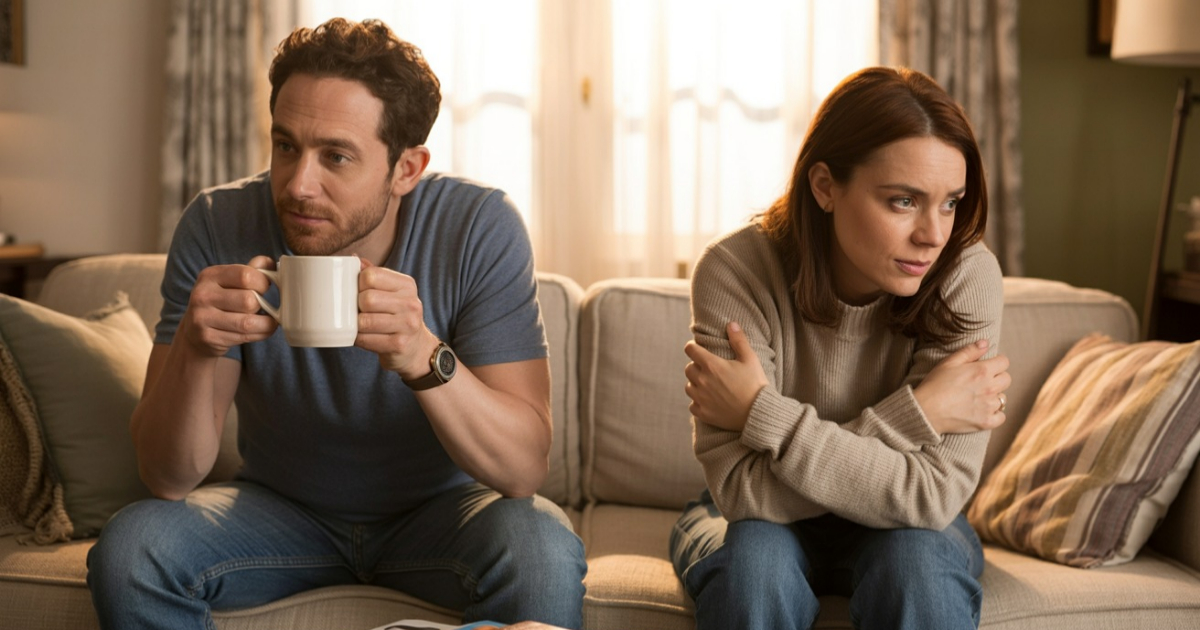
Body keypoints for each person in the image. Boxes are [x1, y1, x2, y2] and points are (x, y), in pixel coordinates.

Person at [86, 18, 586, 629]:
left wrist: (425, 355)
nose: (298, 185)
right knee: (132, 546)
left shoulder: (478, 226)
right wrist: (194, 347)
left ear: (406, 168)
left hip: (444, 514)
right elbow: (167, 476)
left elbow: (523, 469)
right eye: (286, 145)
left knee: (542, 546)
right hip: (279, 512)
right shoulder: (218, 224)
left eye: (336, 157)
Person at [670, 66, 1011, 630]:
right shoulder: (736, 272)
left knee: (917, 565)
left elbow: (931, 496)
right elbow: (741, 490)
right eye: (904, 201)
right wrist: (917, 413)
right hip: (762, 523)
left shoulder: (966, 275)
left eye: (950, 202)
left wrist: (765, 417)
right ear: (825, 186)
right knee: (756, 567)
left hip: (905, 529)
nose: (933, 235)